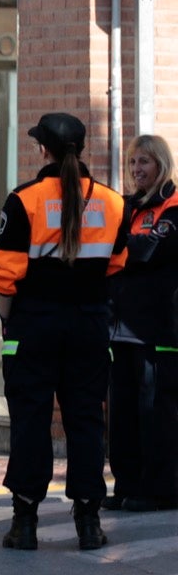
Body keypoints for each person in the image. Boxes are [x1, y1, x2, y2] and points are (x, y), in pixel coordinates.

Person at [0, 112, 126, 551]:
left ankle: (25, 522)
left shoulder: (24, 199)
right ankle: (88, 522)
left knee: (30, 420)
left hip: (34, 324)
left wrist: (7, 321)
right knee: (86, 421)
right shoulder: (112, 201)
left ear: (43, 149)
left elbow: (5, 278)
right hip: (89, 324)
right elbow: (117, 267)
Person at [105, 133, 178, 512]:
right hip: (121, 328)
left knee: (156, 413)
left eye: (144, 162)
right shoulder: (127, 206)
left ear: (160, 164)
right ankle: (127, 486)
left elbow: (149, 252)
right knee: (122, 414)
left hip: (159, 329)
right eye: (133, 163)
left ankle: (160, 489)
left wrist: (115, 252)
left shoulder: (174, 206)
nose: (137, 170)